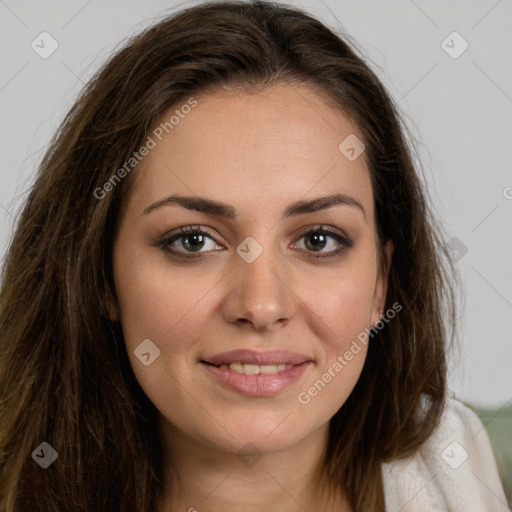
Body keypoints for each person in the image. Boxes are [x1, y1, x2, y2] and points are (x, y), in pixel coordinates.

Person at [0, 1, 507, 511]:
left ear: (382, 283)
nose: (262, 306)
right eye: (193, 240)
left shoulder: (462, 467)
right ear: (101, 277)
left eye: (318, 240)